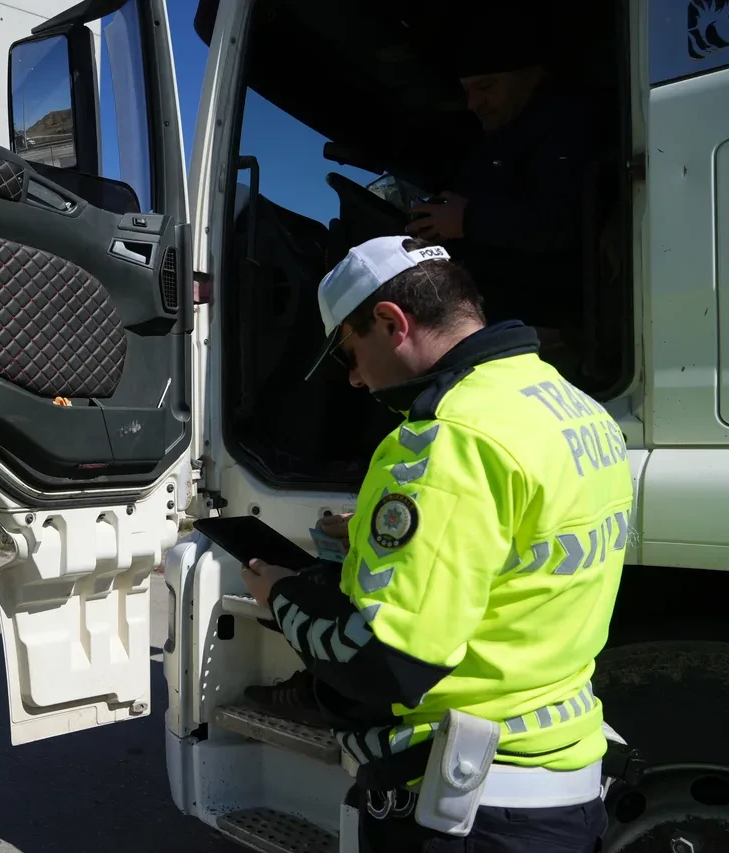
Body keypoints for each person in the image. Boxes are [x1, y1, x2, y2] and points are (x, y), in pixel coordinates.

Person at [239, 235, 633, 852]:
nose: (355, 379)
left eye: (350, 353)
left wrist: (280, 594)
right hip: (561, 789)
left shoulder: (443, 439)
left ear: (391, 322)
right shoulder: (572, 406)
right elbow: (516, 556)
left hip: (465, 808)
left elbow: (385, 665)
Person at [404, 26, 600, 344]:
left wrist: (467, 219)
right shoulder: (498, 140)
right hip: (498, 323)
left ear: (532, 75)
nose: (474, 104)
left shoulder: (565, 127)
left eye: (485, 86)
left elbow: (564, 223)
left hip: (540, 325)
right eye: (468, 92)